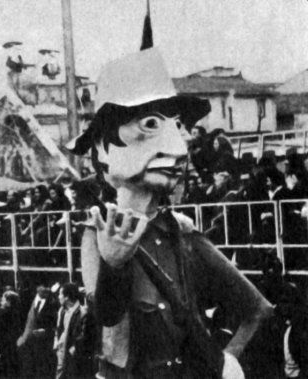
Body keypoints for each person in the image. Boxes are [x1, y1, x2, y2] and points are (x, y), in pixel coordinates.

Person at [68, 48, 273, 378]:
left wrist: (229, 360)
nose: (180, 148)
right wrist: (115, 266)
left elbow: (258, 309)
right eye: (150, 124)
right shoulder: (98, 232)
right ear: (102, 151)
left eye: (178, 127)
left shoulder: (183, 234)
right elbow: (105, 315)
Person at [53, 283, 94, 379]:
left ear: (66, 297)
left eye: (60, 294)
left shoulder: (83, 313)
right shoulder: (61, 311)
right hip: (61, 352)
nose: (59, 297)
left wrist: (73, 350)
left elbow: (85, 336)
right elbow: (58, 329)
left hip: (74, 356)